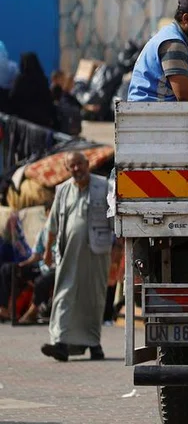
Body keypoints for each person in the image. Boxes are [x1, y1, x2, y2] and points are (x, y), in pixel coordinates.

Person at [41, 152, 112, 362]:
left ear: (87, 164)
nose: (76, 169)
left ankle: (94, 344)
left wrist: (117, 250)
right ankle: (60, 342)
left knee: (94, 297)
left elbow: (114, 219)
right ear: (67, 169)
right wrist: (47, 251)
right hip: (68, 252)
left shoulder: (104, 186)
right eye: (71, 166)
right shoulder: (62, 190)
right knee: (64, 294)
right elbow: (52, 225)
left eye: (79, 164)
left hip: (97, 252)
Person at [127, 0, 188, 102]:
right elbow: (185, 96)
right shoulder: (173, 44)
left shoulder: (179, 39)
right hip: (153, 114)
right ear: (186, 19)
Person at [0, 203, 56, 324]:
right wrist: (22, 265)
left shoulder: (65, 231)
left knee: (41, 281)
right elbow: (36, 255)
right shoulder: (44, 231)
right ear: (46, 213)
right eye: (50, 212)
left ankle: (32, 312)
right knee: (7, 269)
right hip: (41, 266)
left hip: (58, 268)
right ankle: (4, 308)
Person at [8, 52, 56, 128]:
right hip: (42, 123)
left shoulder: (21, 80)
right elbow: (48, 100)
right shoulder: (42, 79)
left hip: (24, 123)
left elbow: (13, 98)